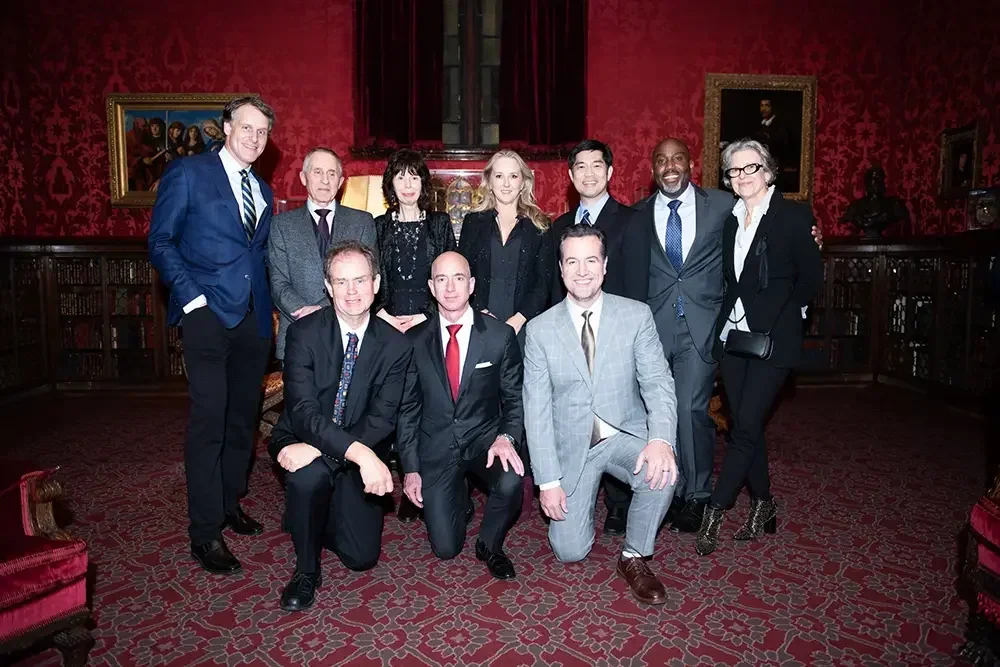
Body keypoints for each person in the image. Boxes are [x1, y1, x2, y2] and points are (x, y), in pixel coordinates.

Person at [148, 95, 276, 575]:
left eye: (262, 132)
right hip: (205, 316)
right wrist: (193, 299)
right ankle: (204, 532)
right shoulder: (189, 174)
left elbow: (255, 257)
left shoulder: (262, 189)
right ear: (226, 127)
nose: (254, 138)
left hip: (253, 322)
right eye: (246, 127)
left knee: (242, 421)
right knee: (209, 419)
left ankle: (228, 503)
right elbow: (160, 242)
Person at [524, 224, 678, 606]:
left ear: (605, 265)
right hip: (571, 444)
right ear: (560, 270)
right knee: (570, 551)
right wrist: (547, 481)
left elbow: (658, 381)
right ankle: (582, 512)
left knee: (663, 471)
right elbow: (537, 410)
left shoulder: (636, 316)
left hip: (624, 432)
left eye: (590, 260)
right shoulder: (540, 330)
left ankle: (634, 556)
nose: (582, 270)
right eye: (571, 261)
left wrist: (660, 440)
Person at [695, 138, 822, 556]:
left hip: (775, 341)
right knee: (746, 425)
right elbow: (735, 281)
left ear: (768, 170)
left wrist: (785, 318)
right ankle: (764, 504)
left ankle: (715, 509)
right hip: (734, 339)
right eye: (734, 170)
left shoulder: (793, 216)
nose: (742, 176)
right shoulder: (731, 219)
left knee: (745, 426)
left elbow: (810, 279)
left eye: (750, 168)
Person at [269, 241, 412, 611]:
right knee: (308, 478)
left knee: (361, 557)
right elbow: (301, 411)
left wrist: (345, 451)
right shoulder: (303, 334)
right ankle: (305, 570)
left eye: (360, 280)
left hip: (354, 444)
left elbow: (382, 418)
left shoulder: (397, 346)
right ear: (328, 287)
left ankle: (312, 513)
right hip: (302, 435)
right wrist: (358, 454)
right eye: (341, 281)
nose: (351, 291)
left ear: (376, 284)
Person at [397, 251, 525, 579]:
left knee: (511, 478)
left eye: (458, 279)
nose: (450, 288)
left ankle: (490, 544)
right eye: (441, 279)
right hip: (437, 443)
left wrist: (506, 437)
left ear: (471, 285)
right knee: (445, 549)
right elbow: (408, 409)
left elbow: (514, 399)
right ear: (430, 287)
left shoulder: (499, 336)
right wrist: (410, 470)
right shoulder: (413, 340)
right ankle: (461, 502)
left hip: (485, 438)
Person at [548, 139, 647, 536]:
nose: (589, 174)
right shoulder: (559, 226)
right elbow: (555, 287)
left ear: (610, 172)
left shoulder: (633, 220)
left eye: (596, 166)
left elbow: (638, 283)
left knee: (616, 410)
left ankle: (620, 503)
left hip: (616, 336)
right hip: (573, 336)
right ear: (571, 177)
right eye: (581, 168)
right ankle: (577, 488)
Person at [373, 148, 457, 522]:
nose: (407, 184)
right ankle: (393, 478)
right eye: (400, 176)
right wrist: (384, 315)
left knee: (425, 405)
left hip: (429, 326)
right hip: (388, 326)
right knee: (390, 404)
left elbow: (450, 279)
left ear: (423, 183)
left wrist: (424, 316)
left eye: (414, 176)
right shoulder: (378, 225)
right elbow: (371, 277)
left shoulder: (439, 224)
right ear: (391, 183)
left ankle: (420, 480)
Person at [269, 147, 377, 362]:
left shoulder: (362, 222)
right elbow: (278, 282)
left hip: (350, 335)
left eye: (332, 173)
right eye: (317, 172)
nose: (325, 180)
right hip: (298, 334)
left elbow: (370, 277)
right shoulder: (281, 224)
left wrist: (324, 310)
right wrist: (308, 313)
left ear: (340, 181)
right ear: (303, 177)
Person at [459, 149, 553, 349]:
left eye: (513, 176)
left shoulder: (540, 225)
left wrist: (518, 320)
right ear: (490, 183)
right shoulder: (473, 222)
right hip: (480, 324)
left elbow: (544, 282)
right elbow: (464, 275)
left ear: (523, 183)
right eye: (499, 176)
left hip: (525, 327)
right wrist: (480, 311)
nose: (506, 183)